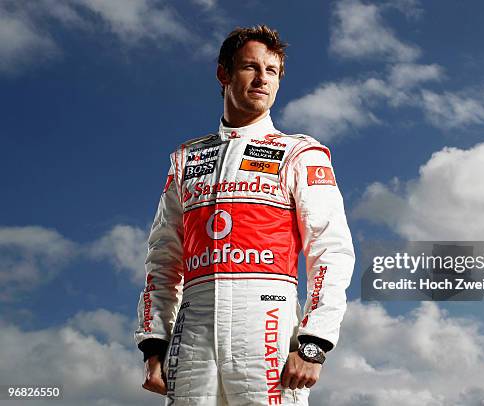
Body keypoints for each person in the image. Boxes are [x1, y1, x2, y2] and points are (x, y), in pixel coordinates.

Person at [135, 25, 355, 405]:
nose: (262, 79)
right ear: (223, 74)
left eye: (271, 71)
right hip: (193, 340)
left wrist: (314, 342)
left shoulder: (300, 153)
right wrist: (154, 345)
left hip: (267, 331)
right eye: (250, 67)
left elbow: (331, 251)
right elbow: (164, 257)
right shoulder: (186, 158)